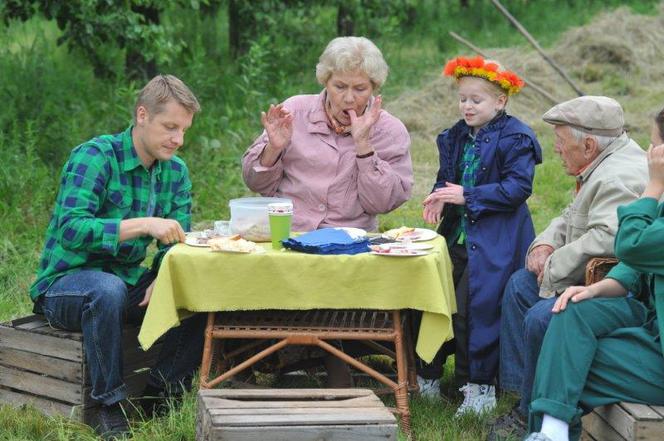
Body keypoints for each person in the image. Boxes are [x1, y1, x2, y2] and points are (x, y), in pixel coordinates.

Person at [29, 75, 207, 440]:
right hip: (66, 284)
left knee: (199, 288)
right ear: (142, 115)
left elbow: (175, 242)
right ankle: (108, 407)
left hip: (126, 282)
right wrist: (143, 224)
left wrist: (164, 275)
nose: (178, 139)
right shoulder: (95, 156)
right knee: (105, 289)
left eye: (184, 130)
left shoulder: (175, 172)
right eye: (170, 127)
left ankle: (160, 395)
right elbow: (71, 230)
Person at [489, 96, 648, 440]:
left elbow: (609, 240)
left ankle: (536, 413)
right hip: (582, 272)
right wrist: (545, 244)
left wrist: (554, 265)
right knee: (519, 287)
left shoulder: (618, 176)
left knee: (542, 317)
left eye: (561, 141)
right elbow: (571, 215)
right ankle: (523, 399)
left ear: (588, 144)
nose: (556, 149)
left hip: (613, 284)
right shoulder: (601, 162)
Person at [524, 107, 664, 441]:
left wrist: (654, 185)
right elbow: (639, 264)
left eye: (655, 144)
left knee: (567, 364)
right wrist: (597, 289)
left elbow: (629, 245)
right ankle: (552, 433)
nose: (648, 152)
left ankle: (549, 431)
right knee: (570, 312)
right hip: (651, 321)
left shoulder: (655, 188)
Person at [418, 55, 542, 416]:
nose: (467, 107)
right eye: (463, 99)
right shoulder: (456, 135)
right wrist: (440, 197)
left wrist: (467, 196)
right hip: (457, 235)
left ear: (500, 101)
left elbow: (517, 188)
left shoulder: (516, 137)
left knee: (478, 309)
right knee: (439, 301)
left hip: (495, 240)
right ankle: (428, 374)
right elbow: (447, 177)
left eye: (477, 100)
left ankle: (479, 388)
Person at [242, 36, 413, 233]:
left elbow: (383, 204)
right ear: (325, 81)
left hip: (349, 239)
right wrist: (273, 150)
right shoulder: (293, 112)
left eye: (360, 88)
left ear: (374, 87)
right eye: (339, 87)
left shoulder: (390, 131)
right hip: (288, 231)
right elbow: (254, 183)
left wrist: (364, 147)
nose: (349, 98)